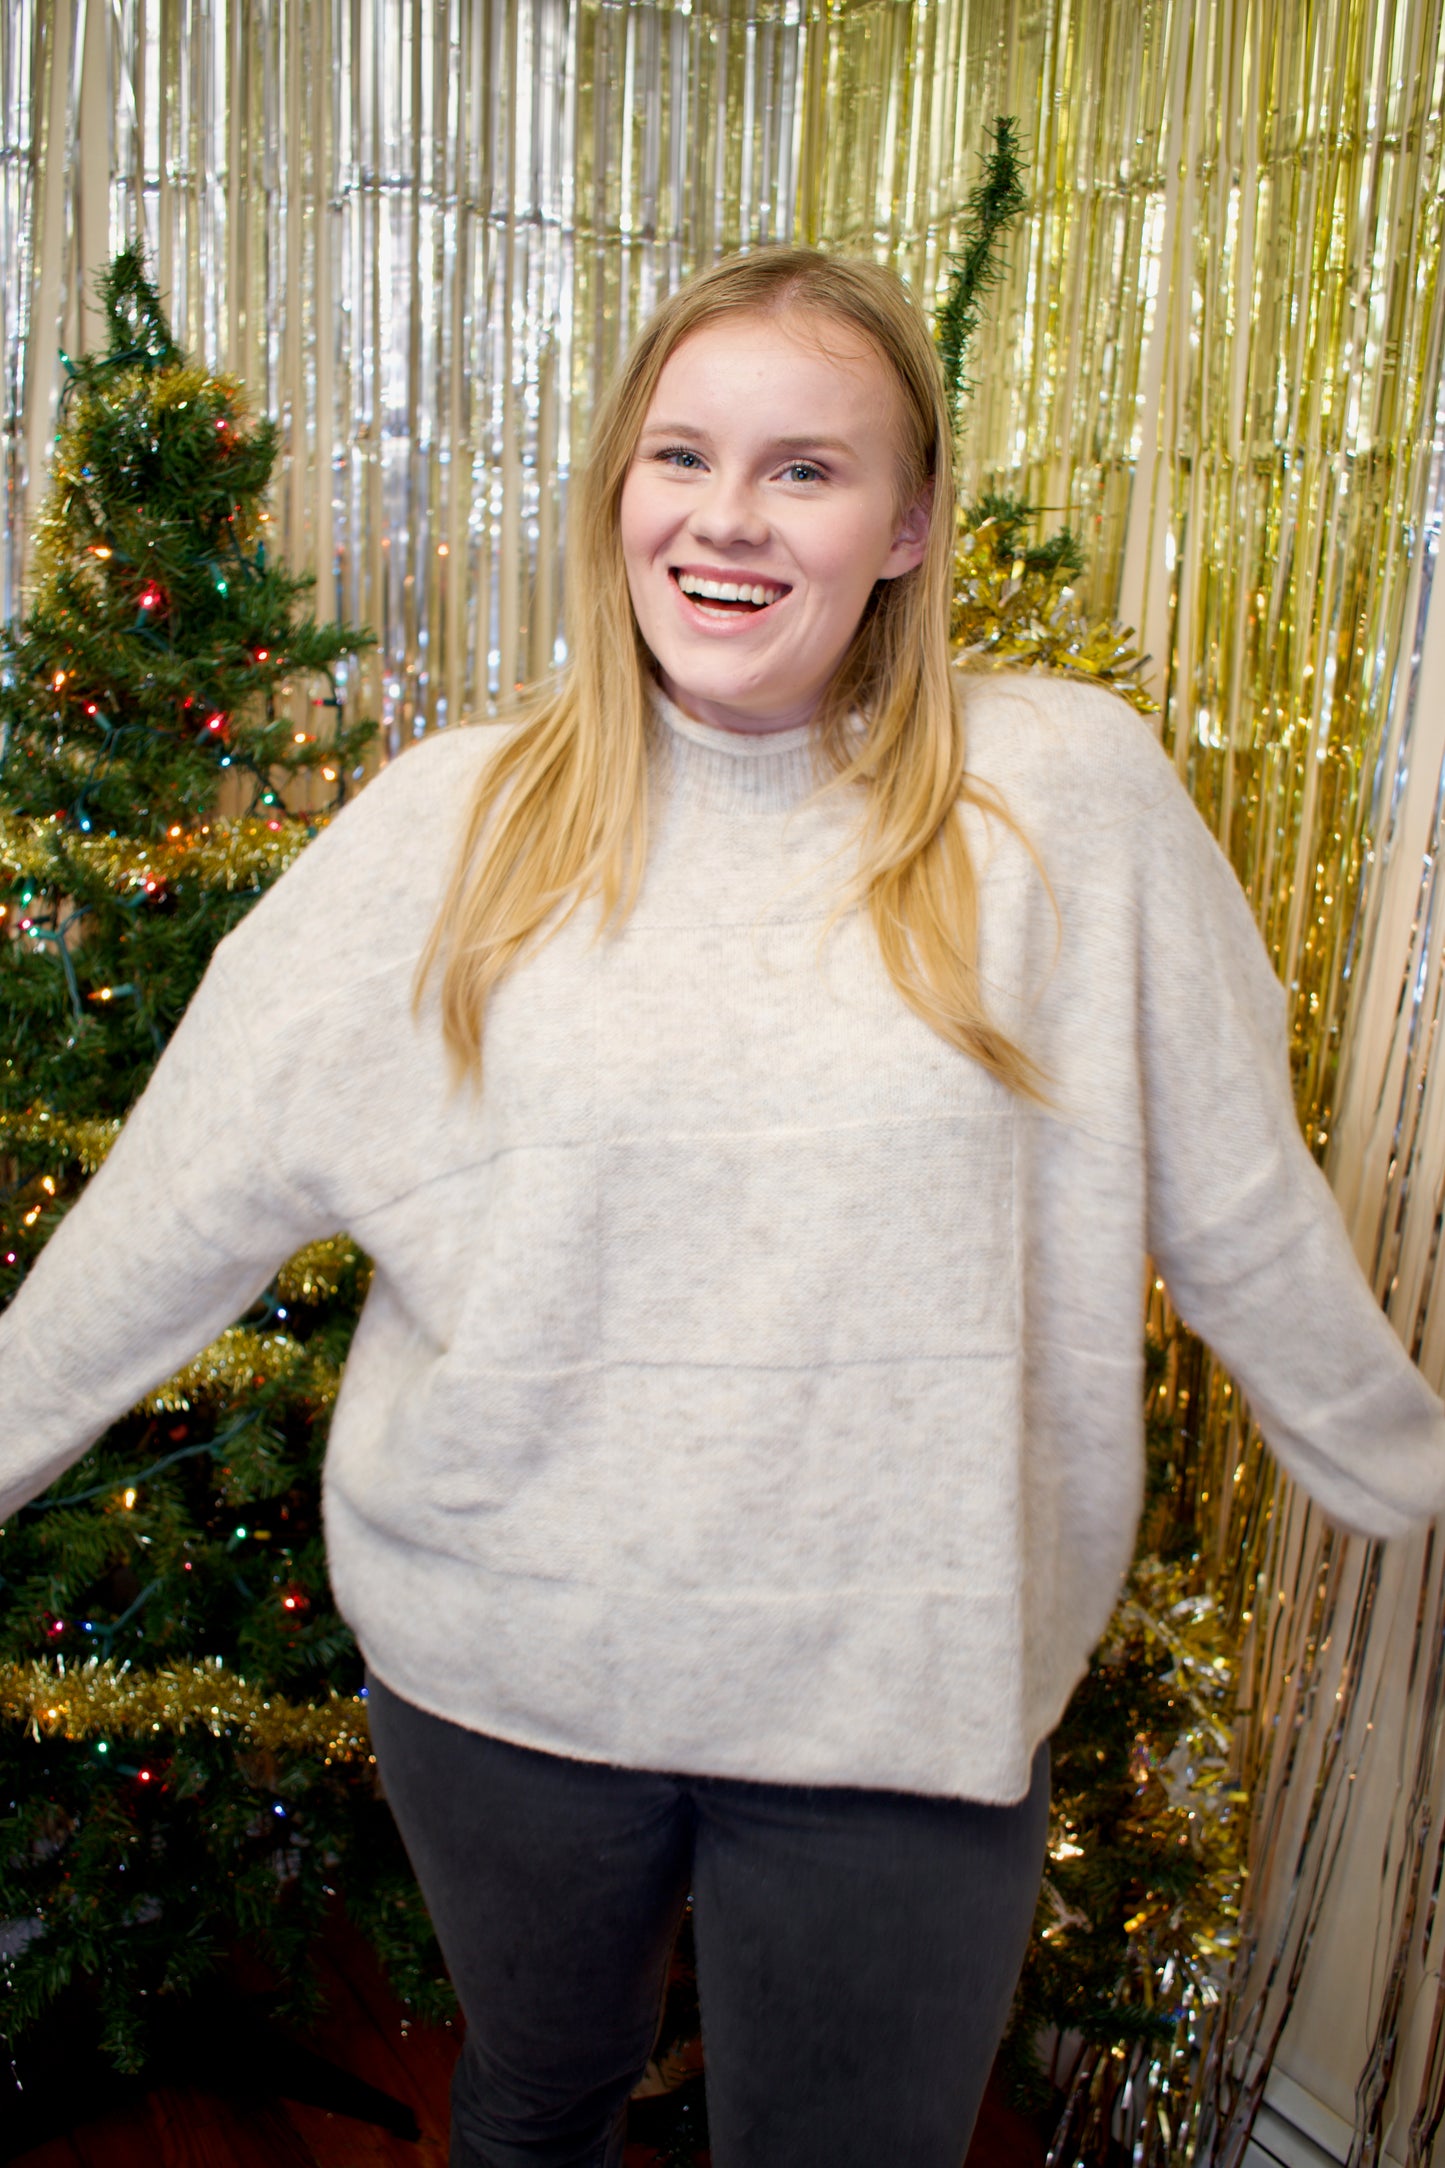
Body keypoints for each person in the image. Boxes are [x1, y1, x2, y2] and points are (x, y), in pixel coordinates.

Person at [2, 246, 1444, 2168]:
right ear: (619, 486)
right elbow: (179, 1196)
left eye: (805, 469)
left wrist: (1405, 1469)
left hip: (902, 1680)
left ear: (907, 522)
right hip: (506, 1661)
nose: (726, 519)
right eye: (681, 455)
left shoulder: (1061, 803)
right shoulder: (454, 819)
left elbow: (1243, 1198)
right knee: (534, 2102)